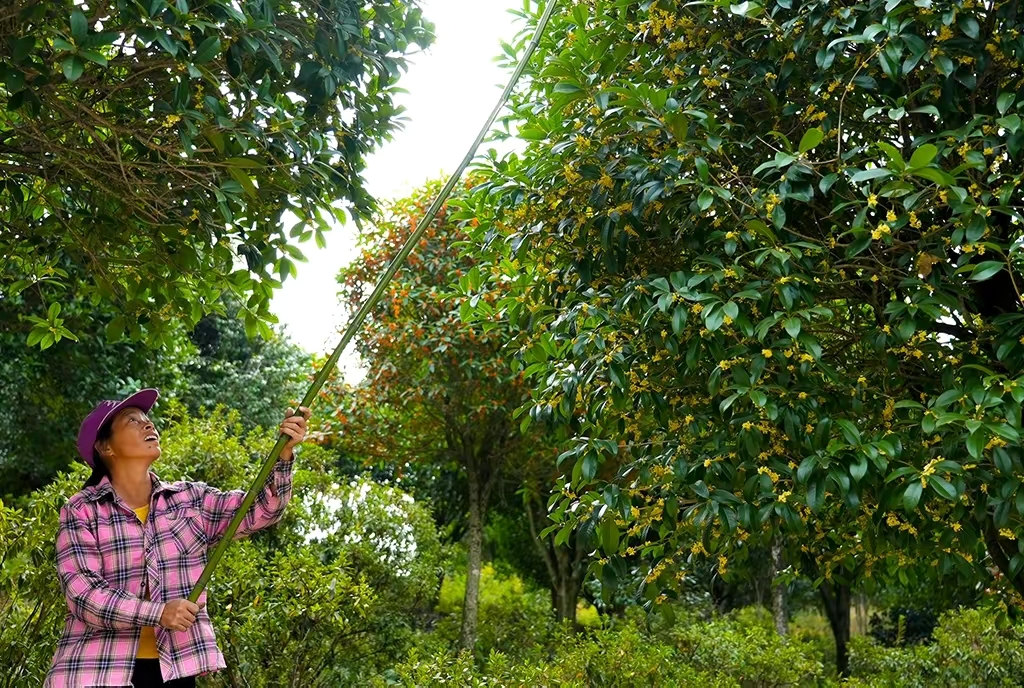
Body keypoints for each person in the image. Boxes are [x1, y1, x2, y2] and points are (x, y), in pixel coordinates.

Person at [44, 388, 311, 687]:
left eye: (148, 419)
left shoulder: (189, 500)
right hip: (97, 672)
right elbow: (84, 595)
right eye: (133, 420)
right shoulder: (82, 510)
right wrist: (158, 613)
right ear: (106, 447)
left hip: (174, 669)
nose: (149, 425)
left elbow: (263, 509)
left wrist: (284, 452)